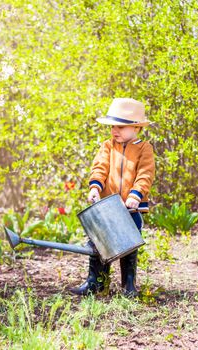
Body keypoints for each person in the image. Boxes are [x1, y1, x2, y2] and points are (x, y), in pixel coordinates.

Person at [70, 98, 155, 297]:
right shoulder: (108, 146)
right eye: (112, 127)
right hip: (107, 207)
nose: (114, 131)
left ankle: (129, 286)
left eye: (120, 126)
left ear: (136, 127)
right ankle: (96, 283)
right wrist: (95, 187)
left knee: (129, 244)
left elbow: (145, 174)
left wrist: (136, 194)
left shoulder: (144, 149)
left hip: (130, 207)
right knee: (99, 242)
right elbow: (99, 168)